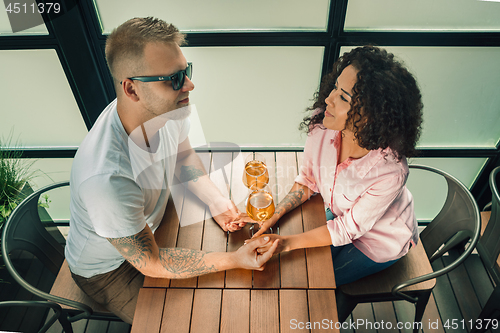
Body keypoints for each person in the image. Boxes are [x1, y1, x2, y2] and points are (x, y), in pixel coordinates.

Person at [65, 17, 278, 324]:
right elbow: (150, 262)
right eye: (174, 79)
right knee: (191, 322)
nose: (189, 85)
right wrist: (234, 260)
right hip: (109, 269)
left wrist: (217, 203)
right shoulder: (107, 179)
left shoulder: (166, 110)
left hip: (153, 221)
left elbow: (183, 158)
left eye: (186, 71)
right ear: (132, 89)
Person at [250, 45, 423, 286]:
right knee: (295, 265)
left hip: (381, 239)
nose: (328, 99)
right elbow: (309, 180)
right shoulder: (323, 124)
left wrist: (286, 243)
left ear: (371, 114)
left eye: (343, 96)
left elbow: (347, 229)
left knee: (318, 282)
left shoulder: (390, 172)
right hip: (344, 213)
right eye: (335, 87)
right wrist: (275, 214)